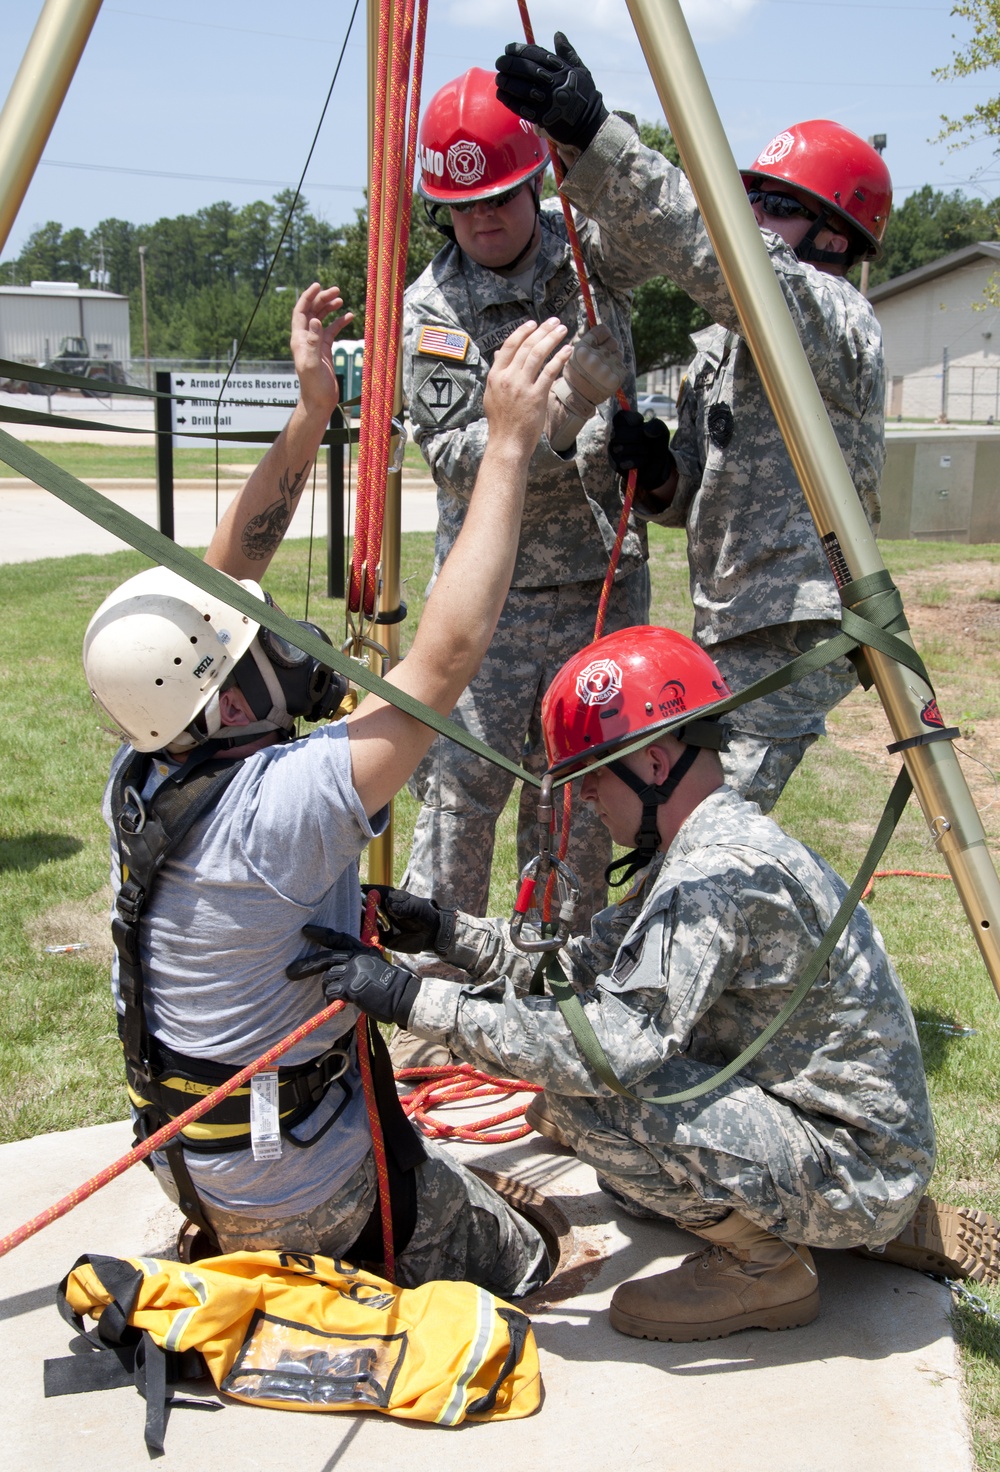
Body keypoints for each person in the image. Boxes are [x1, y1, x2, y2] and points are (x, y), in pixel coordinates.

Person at [82, 283, 574, 1298]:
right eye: (259, 649)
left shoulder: (147, 770)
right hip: (305, 1188)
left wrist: (312, 414)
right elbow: (444, 660)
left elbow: (218, 583)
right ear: (224, 702)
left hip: (204, 1169)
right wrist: (511, 444)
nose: (277, 642)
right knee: (529, 1246)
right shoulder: (279, 809)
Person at [308, 623, 958, 1342]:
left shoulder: (712, 882)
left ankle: (768, 1268)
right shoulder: (702, 852)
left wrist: (411, 1000)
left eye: (591, 774)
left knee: (592, 1100)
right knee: (614, 1141)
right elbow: (578, 971)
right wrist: (442, 932)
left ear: (653, 764)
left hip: (858, 1165)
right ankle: (802, 1212)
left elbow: (603, 1048)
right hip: (846, 1137)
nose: (584, 798)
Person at [495, 36, 891, 812]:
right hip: (736, 621)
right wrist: (664, 479)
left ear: (836, 236)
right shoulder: (732, 344)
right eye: (752, 199)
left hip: (795, 624)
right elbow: (695, 500)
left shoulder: (837, 321)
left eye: (777, 204)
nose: (753, 215)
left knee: (697, 823)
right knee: (671, 819)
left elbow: (727, 260)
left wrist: (599, 140)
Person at [401, 65, 650, 935]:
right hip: (489, 601)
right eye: (463, 206)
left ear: (533, 180)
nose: (484, 219)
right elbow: (456, 458)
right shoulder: (430, 308)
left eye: (501, 196)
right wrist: (560, 414)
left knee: (580, 801)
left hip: (599, 589)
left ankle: (557, 980)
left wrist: (592, 135)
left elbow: (663, 227)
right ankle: (437, 984)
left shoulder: (589, 252)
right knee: (461, 794)